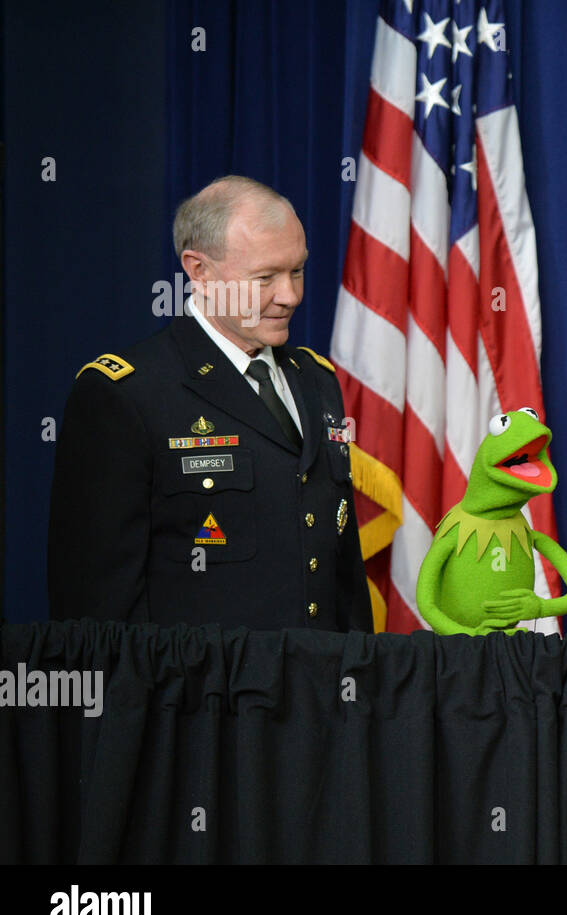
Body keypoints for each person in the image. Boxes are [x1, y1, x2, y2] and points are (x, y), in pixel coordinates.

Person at [48, 175, 373, 634]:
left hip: (320, 697)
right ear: (199, 270)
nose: (291, 295)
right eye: (265, 278)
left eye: (297, 270)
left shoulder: (316, 381)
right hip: (200, 702)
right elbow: (96, 614)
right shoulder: (126, 394)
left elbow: (343, 579)